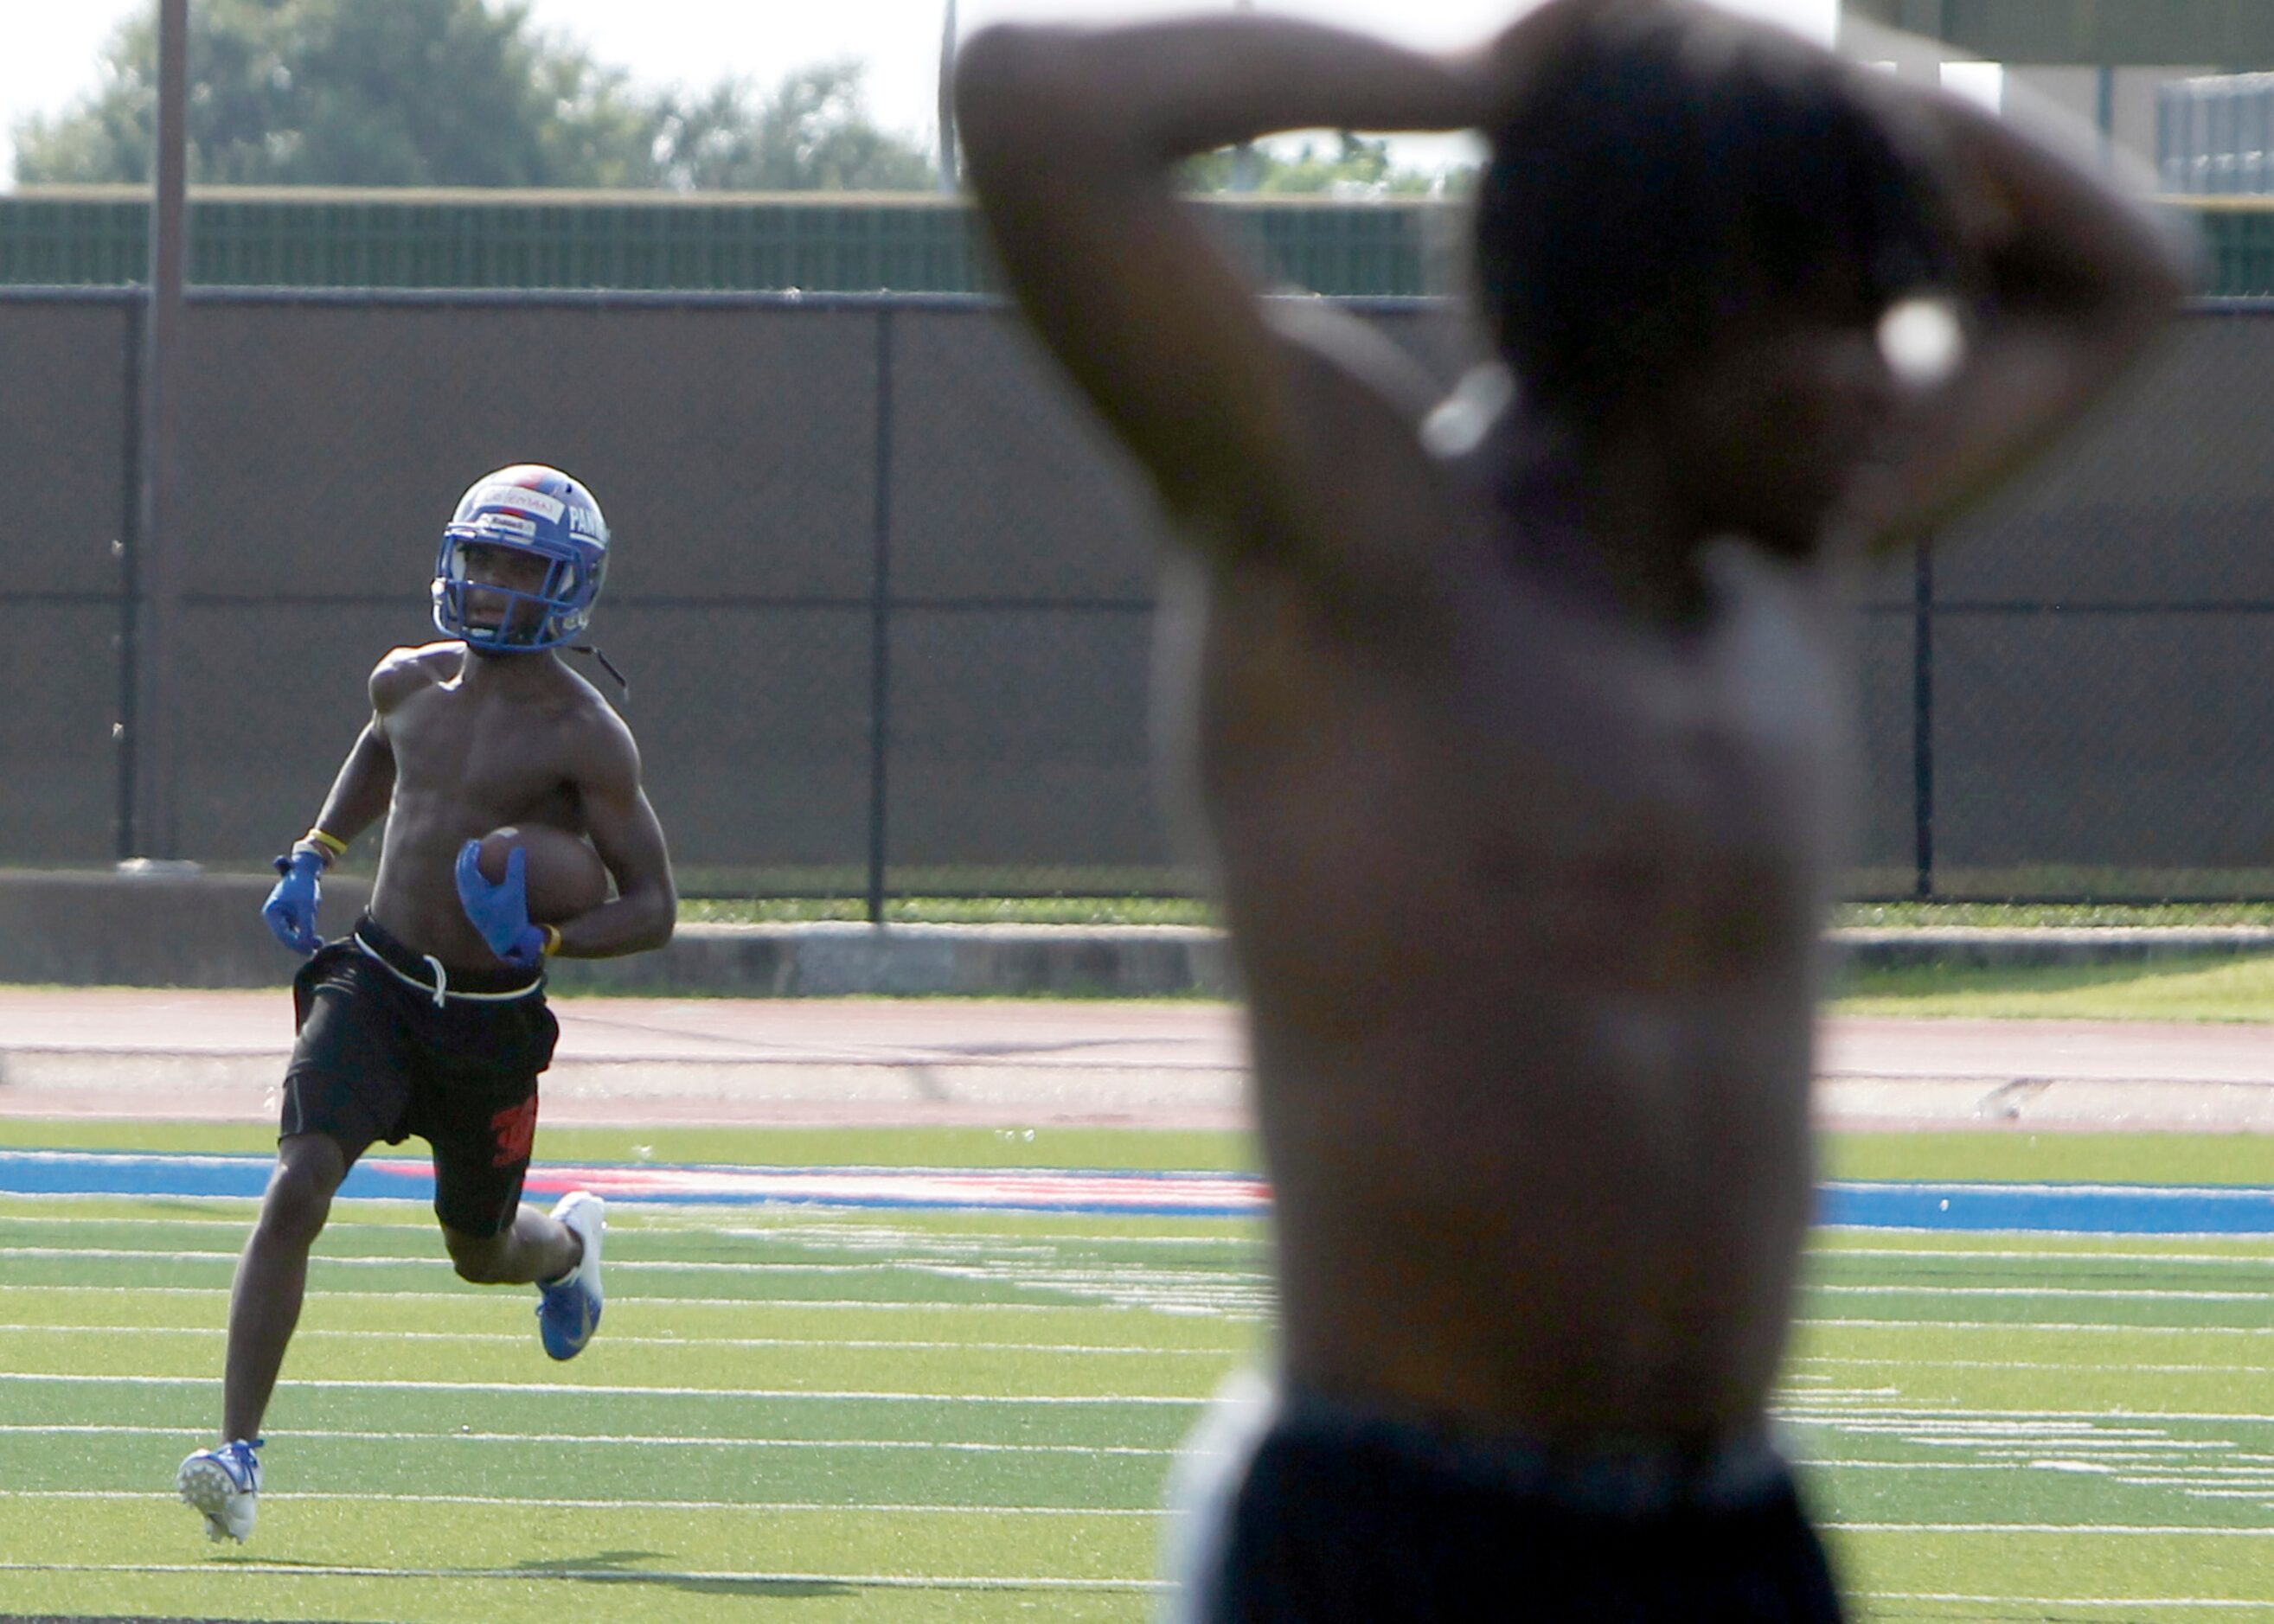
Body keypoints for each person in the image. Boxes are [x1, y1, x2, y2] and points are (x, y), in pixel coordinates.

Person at [954, 1, 2190, 1617]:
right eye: (1830, 316)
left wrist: (1764, 75)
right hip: (1393, 1528)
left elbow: (2126, 265)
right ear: (1659, 304)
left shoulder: (1790, 566)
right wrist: (1478, 83)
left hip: (1729, 1530)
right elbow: (1031, 100)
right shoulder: (1360, 545)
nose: (1886, 378)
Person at [176, 464, 677, 1544]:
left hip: (489, 1024)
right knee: (298, 1181)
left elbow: (655, 907)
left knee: (479, 1250)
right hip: (377, 983)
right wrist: (316, 849)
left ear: (567, 585)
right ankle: (237, 1453)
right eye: (483, 559)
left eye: (522, 566)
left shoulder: (585, 734)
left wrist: (549, 938)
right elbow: (379, 748)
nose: (494, 584)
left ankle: (569, 1255)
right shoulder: (407, 679)